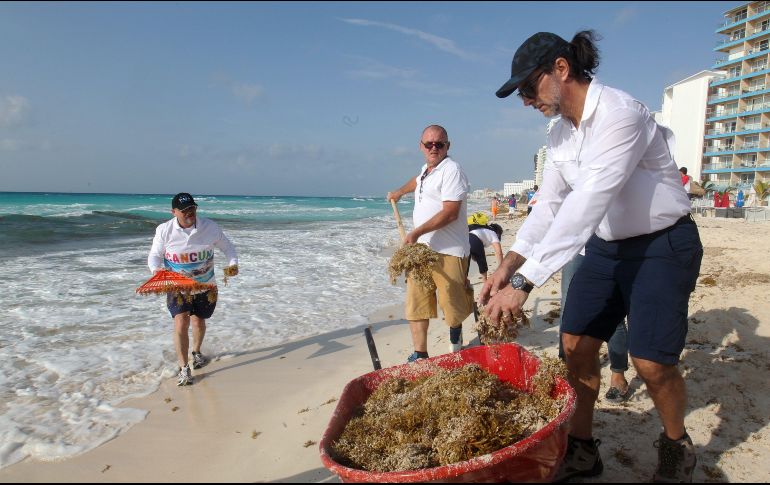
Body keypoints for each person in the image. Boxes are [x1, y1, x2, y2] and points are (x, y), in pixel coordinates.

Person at [483, 31, 703, 482]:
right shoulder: (561, 135)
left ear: (561, 69)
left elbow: (588, 202)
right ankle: (583, 450)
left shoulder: (621, 115)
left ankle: (676, 446)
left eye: (528, 87)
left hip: (661, 244)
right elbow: (550, 206)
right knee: (575, 346)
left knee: (652, 363)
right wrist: (509, 265)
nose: (525, 101)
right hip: (605, 249)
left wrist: (526, 285)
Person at [387, 125, 473, 362]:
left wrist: (417, 232)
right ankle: (420, 353)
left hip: (450, 251)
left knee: (452, 306)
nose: (434, 148)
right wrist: (400, 192)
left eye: (439, 144)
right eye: (429, 144)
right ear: (421, 146)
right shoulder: (426, 170)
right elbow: (417, 181)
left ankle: (456, 336)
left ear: (448, 146)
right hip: (421, 252)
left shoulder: (452, 170)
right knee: (417, 303)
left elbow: (451, 213)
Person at [147, 192, 239, 386]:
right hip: (178, 287)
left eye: (192, 208)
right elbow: (154, 255)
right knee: (181, 322)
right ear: (174, 212)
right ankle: (184, 369)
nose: (190, 212)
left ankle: (196, 353)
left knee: (198, 321)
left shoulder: (210, 227)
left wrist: (233, 264)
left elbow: (228, 247)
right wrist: (156, 271)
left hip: (207, 286)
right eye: (185, 210)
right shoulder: (164, 230)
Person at [559, 253, 629, 403]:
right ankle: (565, 369)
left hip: (611, 249)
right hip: (578, 248)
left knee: (612, 313)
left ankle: (618, 372)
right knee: (567, 306)